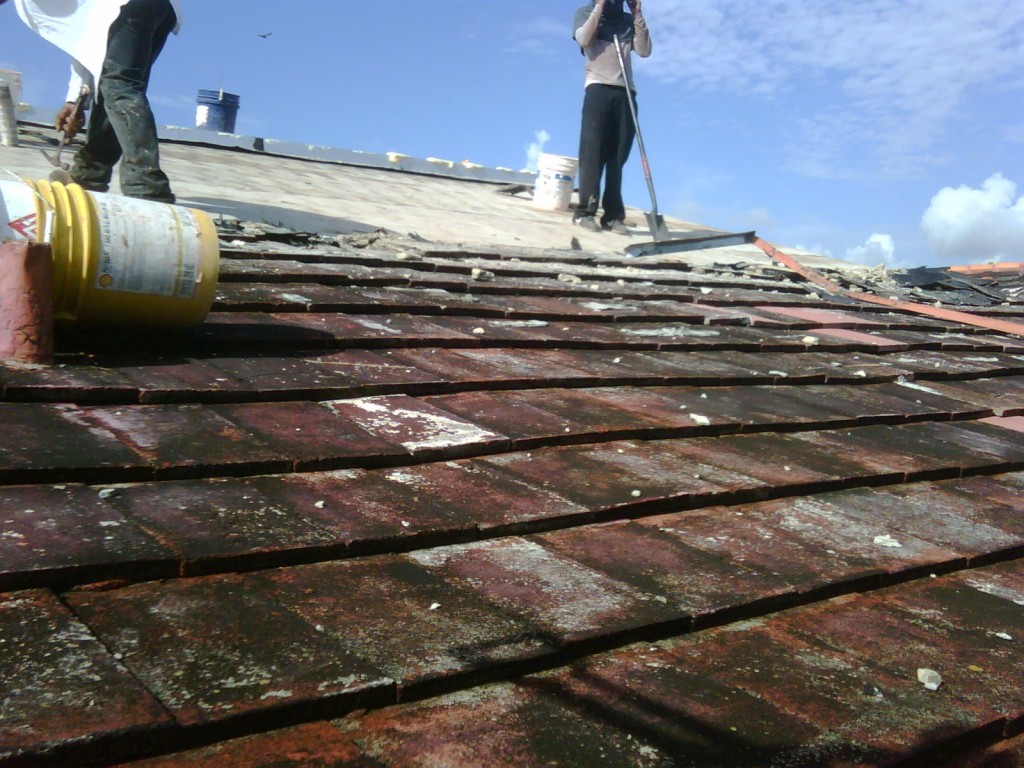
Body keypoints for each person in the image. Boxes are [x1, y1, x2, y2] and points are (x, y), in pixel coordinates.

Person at [2, 0, 182, 202]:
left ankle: (147, 185)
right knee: (113, 90)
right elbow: (88, 36)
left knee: (119, 86)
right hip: (156, 8)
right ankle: (88, 174)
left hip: (129, 8)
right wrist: (75, 99)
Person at [572, 0, 651, 234]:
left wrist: (637, 13)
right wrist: (599, 7)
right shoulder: (585, 13)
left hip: (626, 92)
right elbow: (584, 39)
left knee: (617, 158)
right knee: (593, 153)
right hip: (598, 89)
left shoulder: (628, 21)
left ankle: (613, 215)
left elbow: (645, 50)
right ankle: (585, 212)